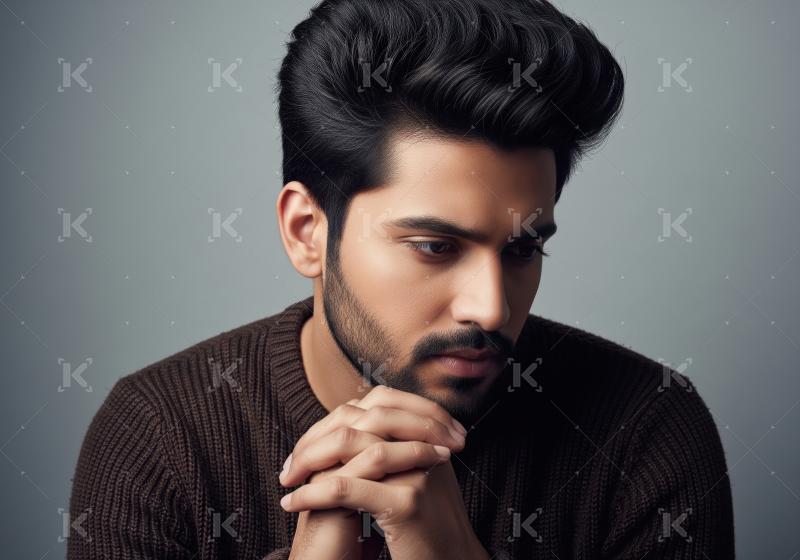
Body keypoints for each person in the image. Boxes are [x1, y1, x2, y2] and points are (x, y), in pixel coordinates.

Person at [68, 0, 735, 558]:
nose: (489, 308)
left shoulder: (644, 427)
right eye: (434, 246)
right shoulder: (159, 435)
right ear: (307, 231)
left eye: (523, 248)